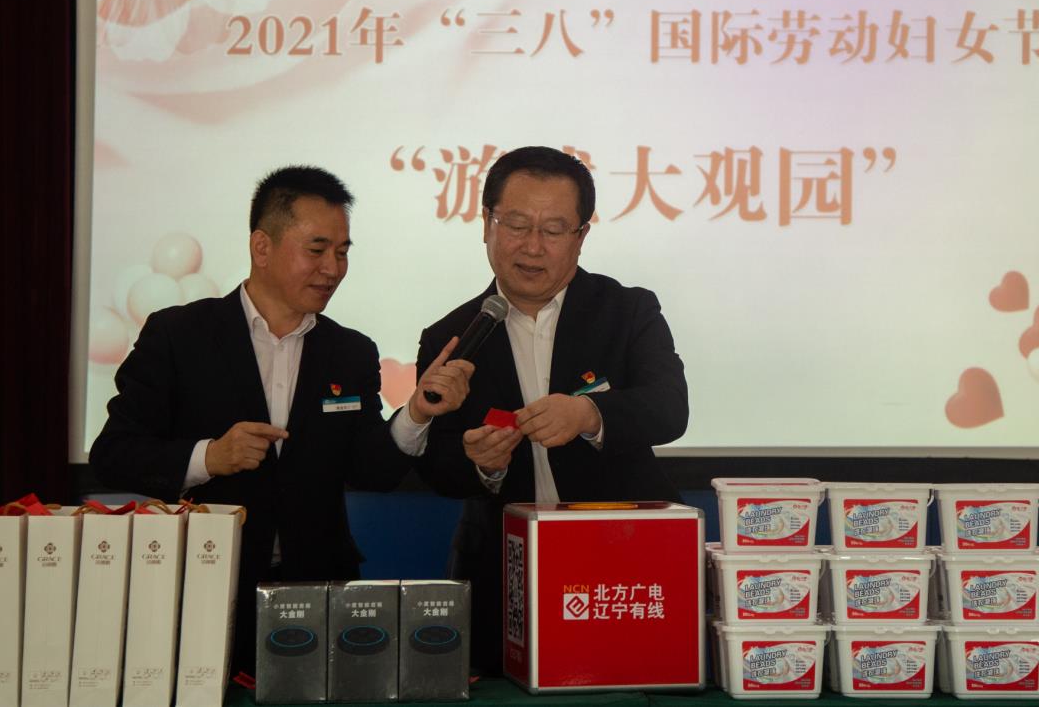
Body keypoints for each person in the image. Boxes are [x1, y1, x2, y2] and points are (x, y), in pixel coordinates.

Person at [89, 165, 473, 672]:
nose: (332, 268)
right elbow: (114, 454)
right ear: (262, 247)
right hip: (200, 590)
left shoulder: (349, 351)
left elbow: (371, 470)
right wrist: (210, 457)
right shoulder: (179, 335)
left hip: (318, 592)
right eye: (316, 250)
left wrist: (418, 411)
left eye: (342, 252)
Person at [402, 146, 689, 674]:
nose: (532, 247)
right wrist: (481, 464)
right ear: (486, 224)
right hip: (503, 575)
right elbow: (438, 466)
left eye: (554, 230)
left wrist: (588, 415)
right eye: (516, 225)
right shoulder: (451, 336)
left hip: (625, 564)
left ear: (581, 235)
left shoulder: (627, 310)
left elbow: (670, 408)